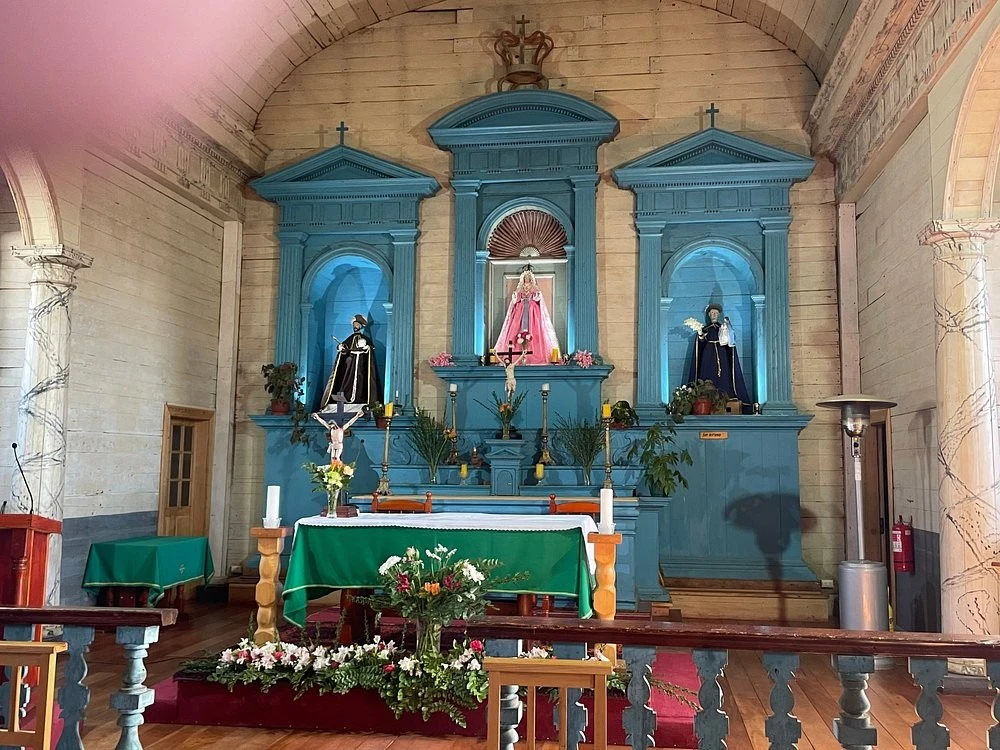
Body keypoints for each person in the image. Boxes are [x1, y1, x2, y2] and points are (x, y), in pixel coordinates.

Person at [493, 267, 559, 365]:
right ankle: (516, 356)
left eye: (528, 280)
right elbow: (515, 301)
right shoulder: (520, 291)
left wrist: (535, 296)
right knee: (515, 329)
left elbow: (538, 299)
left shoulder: (534, 291)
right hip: (520, 313)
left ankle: (534, 357)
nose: (526, 284)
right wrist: (517, 296)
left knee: (535, 331)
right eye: (525, 280)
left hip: (532, 313)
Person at [689, 303, 750, 404]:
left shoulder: (722, 328)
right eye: (712, 313)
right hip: (708, 355)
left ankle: (725, 395)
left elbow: (729, 342)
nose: (713, 315)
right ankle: (706, 397)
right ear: (709, 315)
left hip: (721, 354)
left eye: (715, 313)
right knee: (707, 374)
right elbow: (701, 344)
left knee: (723, 374)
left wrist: (727, 330)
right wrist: (700, 335)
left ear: (718, 315)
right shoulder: (705, 329)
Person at [320, 314, 383, 410]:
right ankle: (345, 398)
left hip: (361, 364)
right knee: (347, 380)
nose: (355, 326)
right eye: (354, 324)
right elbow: (344, 348)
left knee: (361, 381)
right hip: (350, 365)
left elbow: (370, 349)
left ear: (361, 326)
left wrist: (366, 348)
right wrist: (341, 347)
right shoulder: (350, 338)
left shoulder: (365, 339)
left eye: (357, 324)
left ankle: (359, 398)